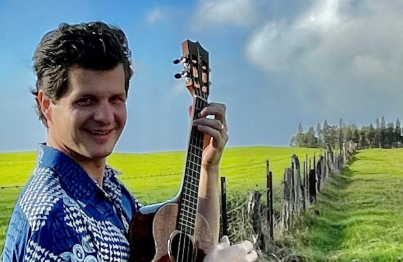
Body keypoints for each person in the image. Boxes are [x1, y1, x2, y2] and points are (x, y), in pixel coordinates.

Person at [1, 22, 257, 262]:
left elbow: (197, 245)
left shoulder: (112, 192)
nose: (104, 116)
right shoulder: (52, 217)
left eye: (115, 99)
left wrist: (207, 166)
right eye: (86, 100)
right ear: (46, 105)